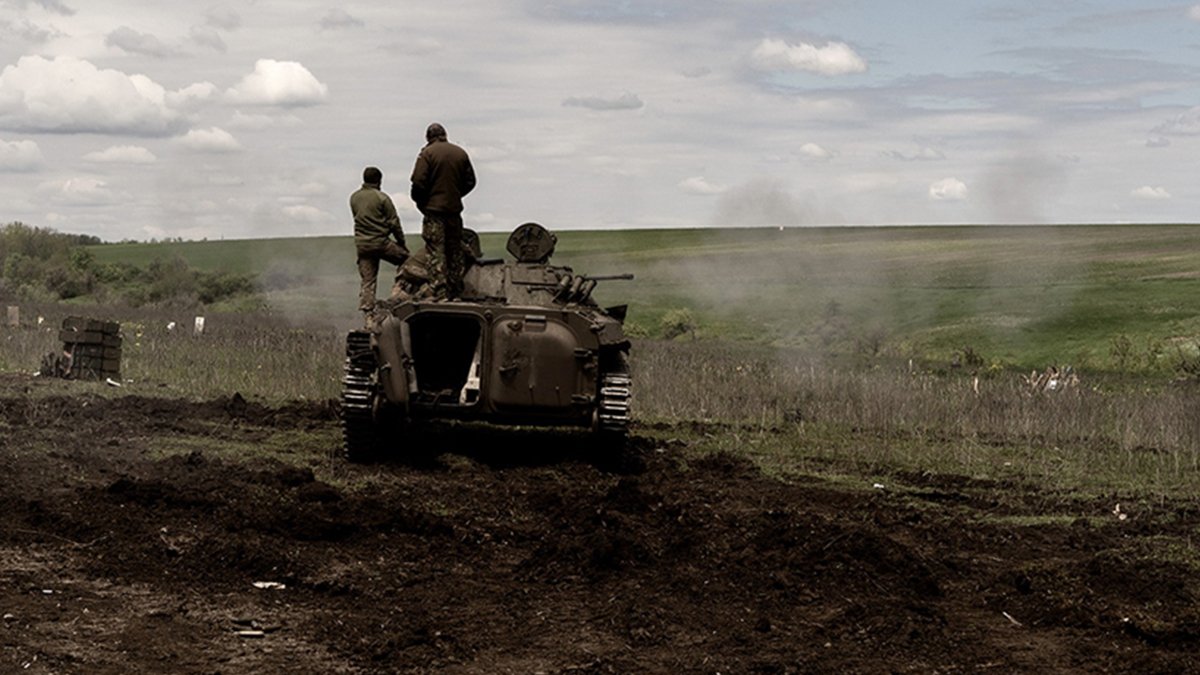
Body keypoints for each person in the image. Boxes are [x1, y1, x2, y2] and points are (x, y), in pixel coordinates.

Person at [410, 122, 475, 300]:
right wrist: (455, 195)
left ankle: (440, 292)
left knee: (435, 251)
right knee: (454, 250)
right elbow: (470, 182)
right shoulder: (460, 153)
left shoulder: (427, 154)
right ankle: (456, 292)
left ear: (428, 137)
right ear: (445, 134)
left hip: (434, 212)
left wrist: (423, 202)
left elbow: (418, 182)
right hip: (454, 211)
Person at [350, 166, 408, 323]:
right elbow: (394, 223)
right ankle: (398, 293)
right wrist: (402, 243)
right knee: (407, 262)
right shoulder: (382, 198)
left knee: (368, 281)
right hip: (381, 243)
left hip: (362, 245)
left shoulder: (354, 197)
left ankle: (368, 316)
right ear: (379, 180)